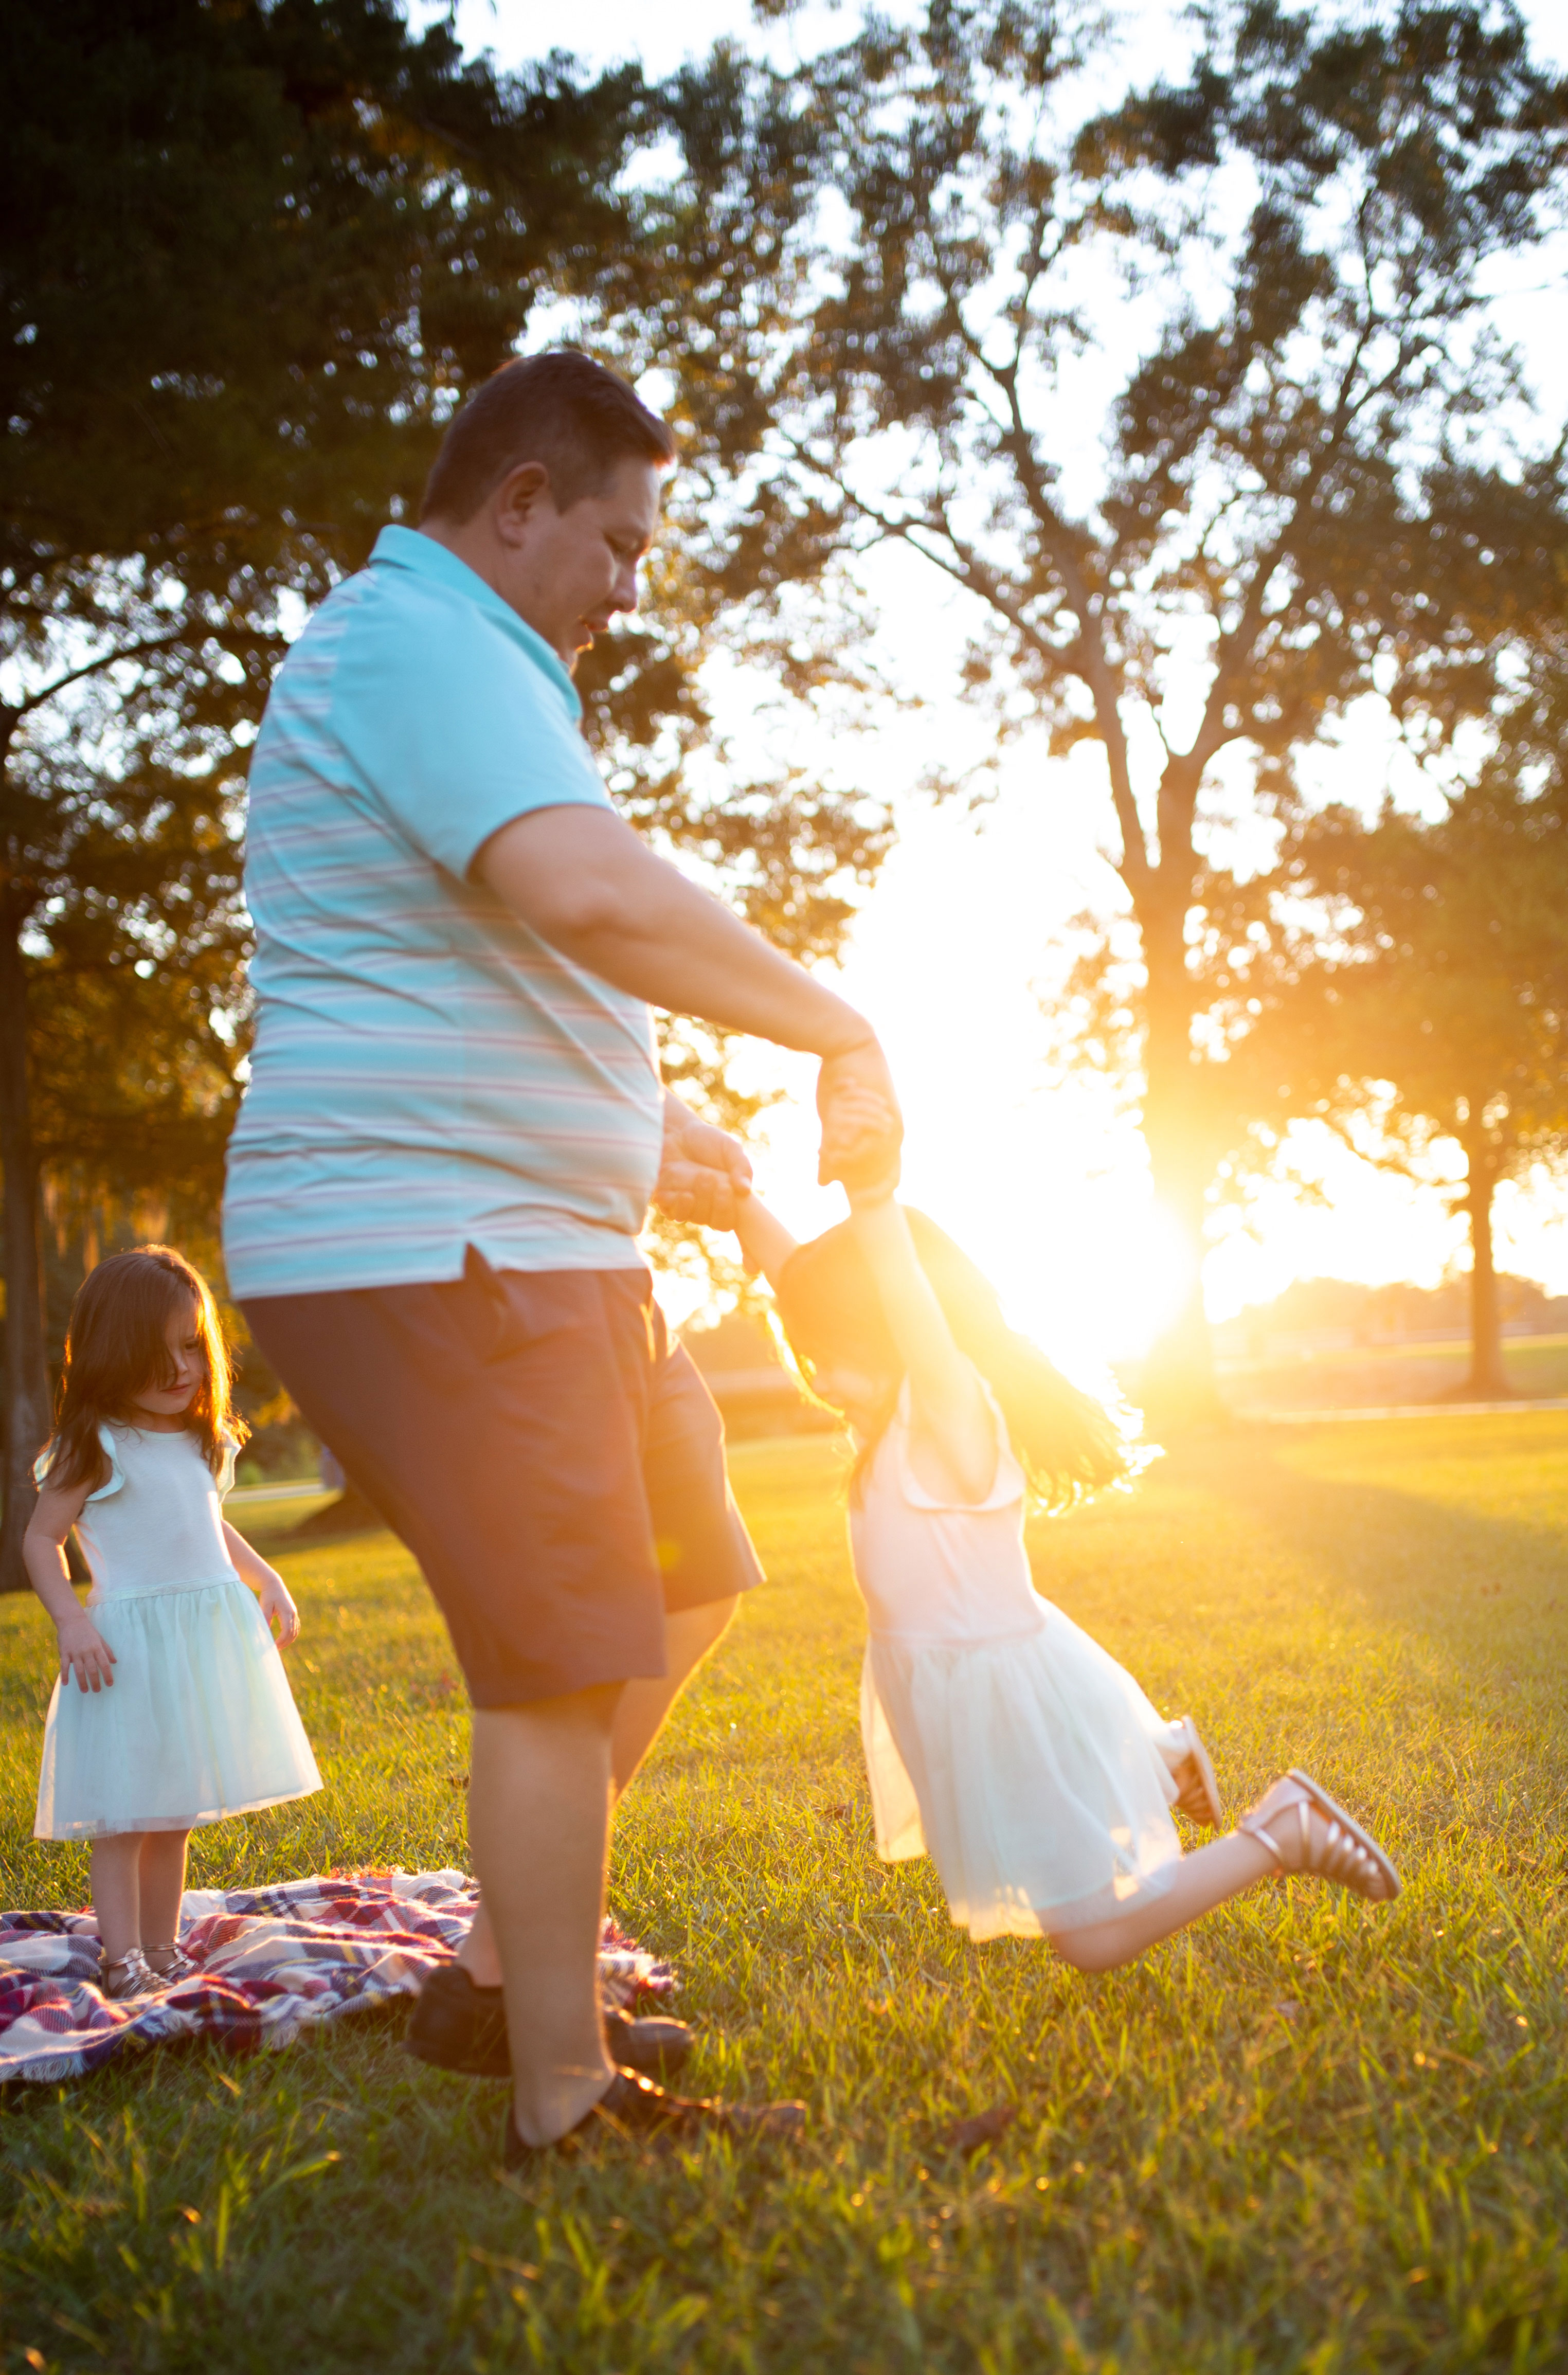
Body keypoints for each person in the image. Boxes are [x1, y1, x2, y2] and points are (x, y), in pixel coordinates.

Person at [221, 349, 902, 2159]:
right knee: (558, 1657)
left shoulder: (469, 665)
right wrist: (838, 1021)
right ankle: (562, 2089)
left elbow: (475, 963)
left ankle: (487, 1973)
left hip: (540, 1228)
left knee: (688, 1567)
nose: (629, 586)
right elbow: (589, 894)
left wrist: (637, 1136)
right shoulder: (417, 639)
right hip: (433, 1245)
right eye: (616, 541)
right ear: (518, 500)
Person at [729, 1106, 1401, 1971]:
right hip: (961, 1689)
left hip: (1000, 1695)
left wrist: (873, 1198)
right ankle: (1156, 1756)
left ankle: (1281, 1832)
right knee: (1040, 1865)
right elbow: (799, 1278)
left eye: (833, 1351)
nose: (817, 1375)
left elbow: (908, 1305)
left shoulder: (950, 1418)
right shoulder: (889, 1422)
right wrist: (736, 1200)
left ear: (893, 1333)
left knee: (1092, 1938)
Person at [24, 1248, 321, 2000]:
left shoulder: (197, 1439)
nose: (178, 1367)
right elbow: (40, 1538)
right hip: (123, 1655)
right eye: (154, 1351)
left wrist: (267, 1575)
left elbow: (209, 1521)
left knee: (174, 1813)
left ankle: (162, 1945)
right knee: (125, 1818)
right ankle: (121, 1958)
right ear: (108, 1352)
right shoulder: (96, 1445)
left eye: (191, 1345)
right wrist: (69, 1618)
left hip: (195, 1649)